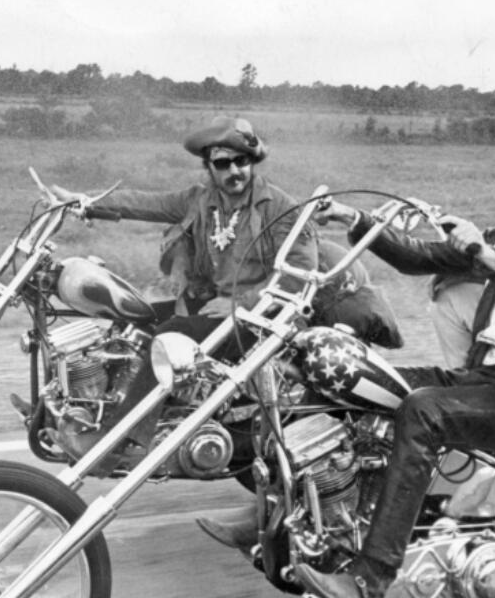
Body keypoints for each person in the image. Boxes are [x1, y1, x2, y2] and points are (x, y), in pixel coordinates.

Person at [224, 130, 495, 598]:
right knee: (341, 381)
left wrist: (488, 258)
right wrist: (356, 221)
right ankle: (280, 516)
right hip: (481, 376)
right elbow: (417, 257)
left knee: (422, 412)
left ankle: (367, 584)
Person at [49, 116, 318, 447]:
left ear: (252, 162)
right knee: (134, 320)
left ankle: (118, 444)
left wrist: (242, 303)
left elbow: (300, 274)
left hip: (264, 317)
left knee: (169, 335)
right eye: (223, 164)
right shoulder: (202, 200)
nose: (235, 171)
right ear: (209, 168)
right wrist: (83, 203)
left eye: (242, 162)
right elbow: (146, 203)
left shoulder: (279, 208)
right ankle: (99, 410)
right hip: (221, 305)